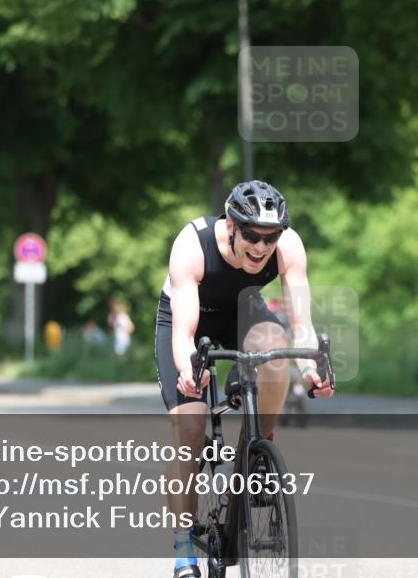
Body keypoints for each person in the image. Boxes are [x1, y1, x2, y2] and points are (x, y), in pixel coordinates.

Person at [154, 180, 333, 578]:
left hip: (242, 311)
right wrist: (189, 370)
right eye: (251, 235)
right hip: (188, 318)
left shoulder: (289, 247)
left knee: (275, 347)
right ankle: (184, 548)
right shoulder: (193, 244)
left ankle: (256, 452)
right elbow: (183, 334)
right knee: (190, 431)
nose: (260, 246)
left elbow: (301, 325)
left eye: (270, 237)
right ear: (231, 226)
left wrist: (310, 371)